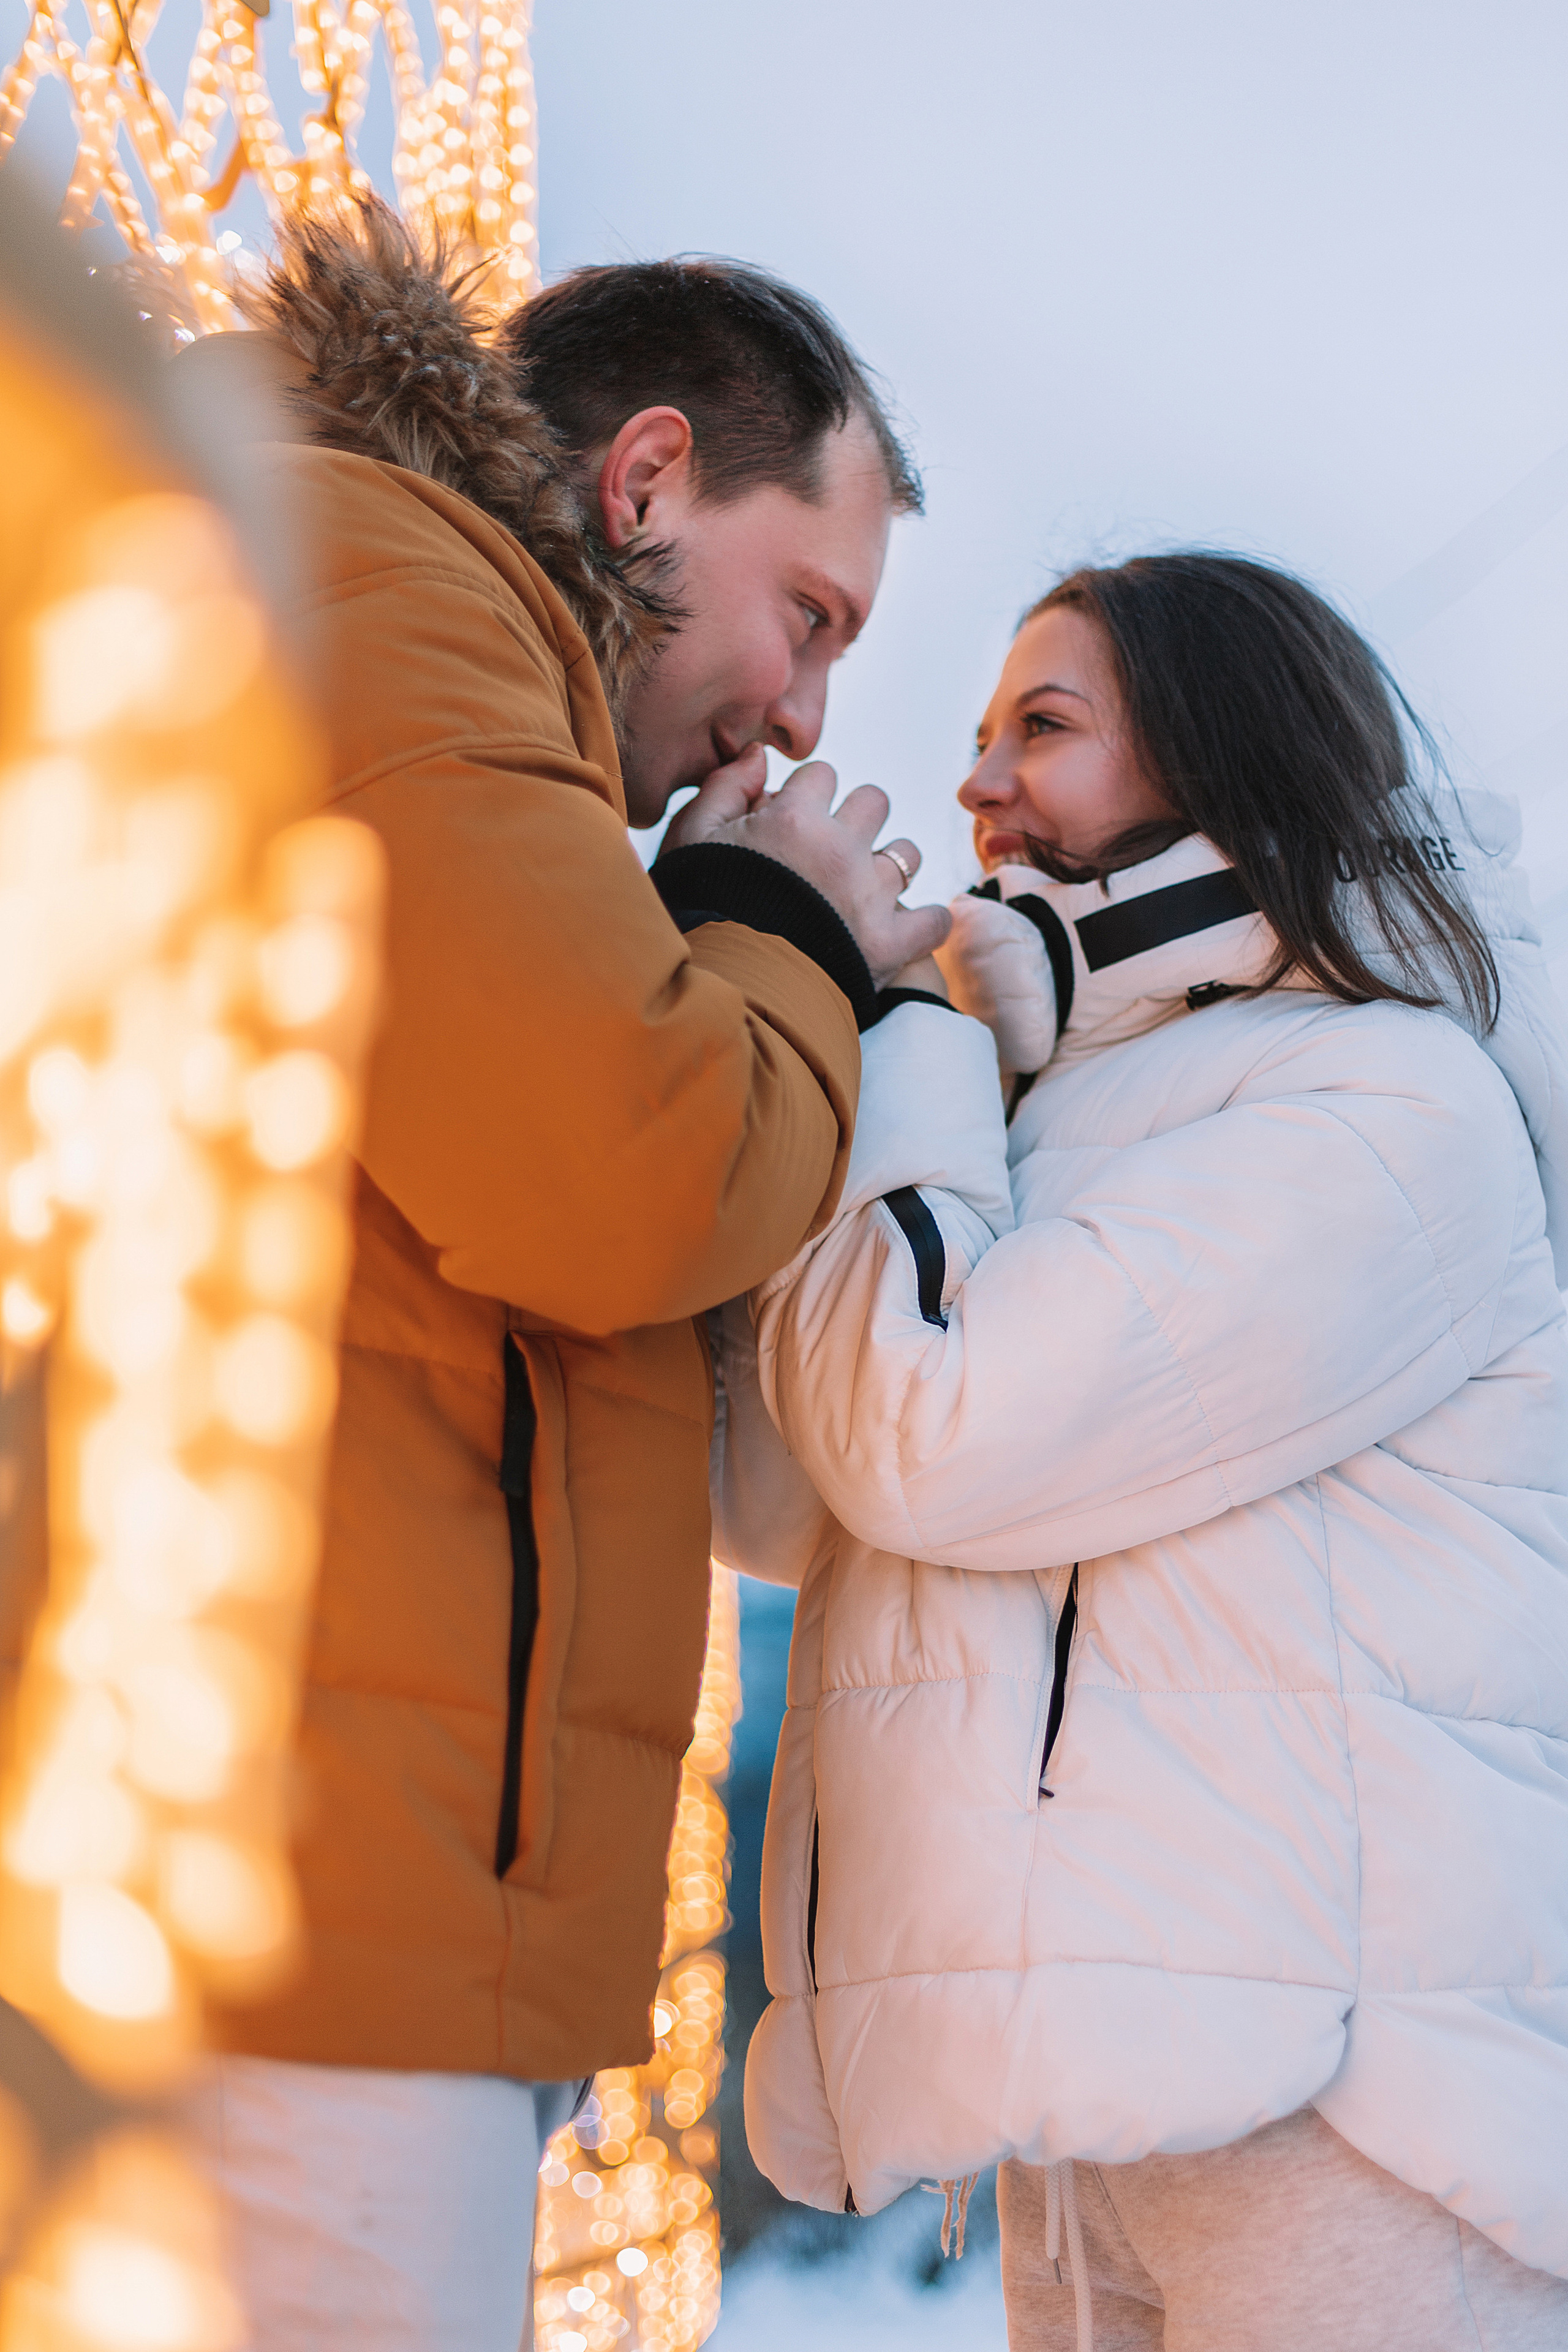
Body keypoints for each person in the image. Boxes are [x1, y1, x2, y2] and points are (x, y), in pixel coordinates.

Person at [172, 198, 949, 2347]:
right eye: (806, 612)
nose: (790, 717)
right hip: (300, 1928)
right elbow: (625, 1176)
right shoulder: (387, 593)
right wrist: (777, 934)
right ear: (644, 481)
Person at [715, 554, 1568, 2349]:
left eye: (1048, 725)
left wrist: (908, 1036)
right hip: (1105, 2105)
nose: (978, 784)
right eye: (979, 732)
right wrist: (769, 1023)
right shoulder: (1039, 1128)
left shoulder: (1380, 1106)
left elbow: (927, 1438)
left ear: (1223, 757)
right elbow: (782, 1495)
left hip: (1354, 2115)